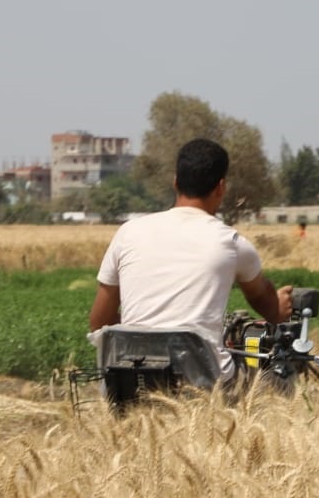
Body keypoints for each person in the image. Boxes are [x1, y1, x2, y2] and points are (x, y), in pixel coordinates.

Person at [89, 138, 292, 384]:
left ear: (175, 182)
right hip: (204, 387)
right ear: (221, 187)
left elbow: (99, 322)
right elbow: (267, 304)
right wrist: (280, 308)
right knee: (271, 375)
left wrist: (144, 341)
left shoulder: (128, 233)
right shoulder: (232, 243)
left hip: (129, 381)